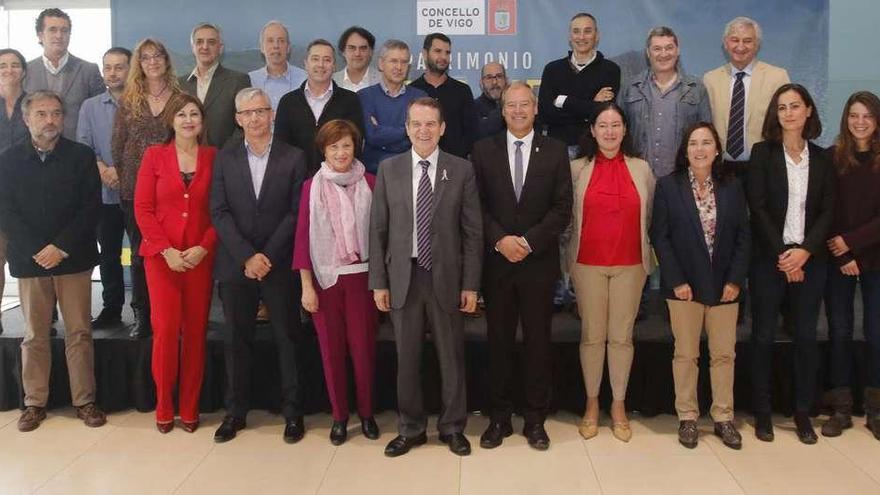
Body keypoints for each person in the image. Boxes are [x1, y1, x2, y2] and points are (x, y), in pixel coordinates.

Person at [369, 97, 482, 457]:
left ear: (442, 128)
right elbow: (378, 231)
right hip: (404, 276)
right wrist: (379, 282)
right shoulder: (390, 169)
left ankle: (452, 427)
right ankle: (411, 428)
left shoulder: (461, 169)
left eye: (430, 124)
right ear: (406, 127)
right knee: (407, 360)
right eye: (416, 124)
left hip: (446, 277)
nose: (423, 130)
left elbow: (472, 233)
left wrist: (470, 284)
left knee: (452, 357)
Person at [472, 81, 572, 450]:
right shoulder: (483, 150)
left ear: (535, 109)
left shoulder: (555, 151)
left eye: (524, 104)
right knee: (497, 344)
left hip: (537, 264)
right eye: (511, 105)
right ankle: (498, 419)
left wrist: (527, 243)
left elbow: (562, 208)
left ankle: (535, 420)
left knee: (538, 344)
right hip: (497, 264)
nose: (517, 110)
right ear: (503, 111)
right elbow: (476, 205)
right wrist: (500, 240)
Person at [0, 90, 106, 432]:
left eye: (56, 113)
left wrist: (60, 246)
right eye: (42, 114)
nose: (50, 120)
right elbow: (6, 212)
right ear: (26, 119)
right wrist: (37, 248)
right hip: (30, 260)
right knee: (34, 335)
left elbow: (90, 208)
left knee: (79, 332)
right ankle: (34, 403)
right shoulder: (8, 160)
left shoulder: (81, 156)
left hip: (73, 258)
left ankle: (85, 401)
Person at [211, 88, 308, 444]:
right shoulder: (224, 158)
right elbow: (218, 212)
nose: (255, 118)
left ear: (272, 115)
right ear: (238, 119)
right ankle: (235, 413)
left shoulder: (294, 157)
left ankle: (293, 413)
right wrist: (246, 257)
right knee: (237, 341)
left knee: (288, 339)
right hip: (237, 265)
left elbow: (296, 212)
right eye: (247, 113)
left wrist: (266, 255)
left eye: (261, 111)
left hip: (279, 264)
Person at [650, 122, 750, 450]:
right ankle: (688, 417)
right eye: (693, 143)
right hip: (684, 288)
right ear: (685, 149)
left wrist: (735, 280)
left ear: (717, 149)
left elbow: (743, 237)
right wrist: (676, 280)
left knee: (724, 354)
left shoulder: (732, 185)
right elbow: (660, 237)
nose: (700, 148)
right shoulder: (668, 186)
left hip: (725, 286)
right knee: (686, 354)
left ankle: (723, 417)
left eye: (706, 142)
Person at [748, 83, 834, 445]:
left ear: (809, 111)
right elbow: (759, 206)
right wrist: (785, 255)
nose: (788, 113)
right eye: (782, 107)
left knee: (805, 338)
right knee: (764, 336)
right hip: (771, 259)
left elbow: (829, 210)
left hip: (811, 261)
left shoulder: (824, 158)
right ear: (775, 114)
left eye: (795, 106)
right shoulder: (762, 154)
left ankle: (802, 412)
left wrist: (805, 252)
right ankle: (763, 413)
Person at [568, 102, 655, 443]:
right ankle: (592, 404)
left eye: (615, 125)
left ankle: (618, 405)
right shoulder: (577, 169)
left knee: (621, 338)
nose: (609, 131)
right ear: (592, 131)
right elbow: (567, 220)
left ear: (625, 129)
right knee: (592, 336)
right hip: (587, 263)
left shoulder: (642, 169)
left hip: (631, 265)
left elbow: (650, 219)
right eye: (602, 125)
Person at [134, 93, 217, 433]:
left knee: (196, 332)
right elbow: (142, 208)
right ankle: (165, 405)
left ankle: (190, 406)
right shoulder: (155, 156)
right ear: (170, 120)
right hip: (161, 260)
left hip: (200, 258)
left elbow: (222, 209)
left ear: (202, 121)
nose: (187, 120)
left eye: (193, 113)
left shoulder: (215, 157)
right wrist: (165, 249)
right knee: (166, 332)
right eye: (180, 114)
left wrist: (203, 246)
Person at [294, 119, 379, 445]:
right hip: (325, 281)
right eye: (334, 147)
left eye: (346, 145)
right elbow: (303, 239)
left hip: (363, 281)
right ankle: (340, 416)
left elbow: (382, 236)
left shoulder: (371, 182)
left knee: (363, 351)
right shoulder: (311, 187)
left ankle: (367, 413)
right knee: (331, 353)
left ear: (355, 146)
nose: (341, 152)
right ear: (323, 150)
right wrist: (306, 286)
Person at [112, 38, 180, 339]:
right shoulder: (129, 100)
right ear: (139, 64)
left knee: (171, 251)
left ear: (166, 60)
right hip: (134, 191)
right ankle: (142, 314)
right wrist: (132, 176)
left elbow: (189, 140)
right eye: (146, 57)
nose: (152, 61)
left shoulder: (180, 97)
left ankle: (171, 314)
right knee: (141, 253)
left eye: (158, 56)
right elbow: (118, 146)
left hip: (173, 190)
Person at [822, 91, 880, 440]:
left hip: (875, 260)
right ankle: (841, 407)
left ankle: (874, 408)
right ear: (846, 119)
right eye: (854, 115)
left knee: (876, 335)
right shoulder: (832, 159)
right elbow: (825, 210)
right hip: (838, 260)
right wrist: (843, 254)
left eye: (868, 116)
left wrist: (854, 246)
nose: (860, 122)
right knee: (840, 332)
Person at [77, 47, 131, 329]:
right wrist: (105, 171)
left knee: (142, 255)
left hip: (137, 195)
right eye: (107, 67)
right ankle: (112, 308)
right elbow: (84, 146)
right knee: (109, 254)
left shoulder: (143, 104)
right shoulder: (90, 106)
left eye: (119, 67)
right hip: (104, 193)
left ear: (131, 69)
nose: (112, 73)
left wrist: (122, 172)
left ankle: (143, 309)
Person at [703, 17, 789, 182]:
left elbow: (787, 125)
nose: (740, 46)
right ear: (725, 43)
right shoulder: (710, 79)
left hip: (764, 168)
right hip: (721, 168)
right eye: (735, 40)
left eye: (747, 41)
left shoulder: (777, 77)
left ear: (757, 44)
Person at [621, 26, 711, 179]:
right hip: (638, 178)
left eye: (669, 48)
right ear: (648, 53)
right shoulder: (630, 88)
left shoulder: (697, 89)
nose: (663, 54)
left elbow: (708, 136)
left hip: (681, 178)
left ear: (677, 51)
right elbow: (619, 132)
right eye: (657, 49)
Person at [275, 39, 364, 175]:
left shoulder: (350, 100)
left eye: (327, 60)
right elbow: (281, 148)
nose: (321, 65)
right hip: (298, 182)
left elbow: (356, 144)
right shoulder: (288, 102)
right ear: (306, 64)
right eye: (315, 59)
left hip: (339, 180)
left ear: (334, 65)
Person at [538, 12, 620, 159]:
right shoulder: (552, 69)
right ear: (570, 36)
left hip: (594, 152)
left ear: (597, 35)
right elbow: (546, 114)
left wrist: (564, 101)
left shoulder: (610, 70)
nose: (581, 37)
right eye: (576, 31)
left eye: (587, 31)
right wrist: (590, 105)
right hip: (557, 152)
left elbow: (603, 113)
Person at [24, 8, 104, 139]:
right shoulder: (25, 71)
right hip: (35, 151)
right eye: (52, 29)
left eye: (64, 30)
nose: (59, 35)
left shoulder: (89, 70)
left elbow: (100, 116)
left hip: (77, 149)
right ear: (40, 35)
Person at [358, 39, 426, 173]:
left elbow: (421, 135)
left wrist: (382, 132)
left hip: (410, 173)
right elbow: (372, 136)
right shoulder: (364, 96)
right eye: (394, 61)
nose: (399, 67)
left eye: (404, 62)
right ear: (381, 64)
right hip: (374, 174)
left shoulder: (420, 97)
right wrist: (407, 130)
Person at [179, 22, 250, 148]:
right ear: (193, 47)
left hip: (224, 160)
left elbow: (244, 125)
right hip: (187, 161)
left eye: (211, 42)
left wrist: (224, 157)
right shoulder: (180, 84)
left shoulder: (238, 81)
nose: (205, 47)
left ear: (220, 48)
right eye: (199, 42)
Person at [409, 33, 478, 159]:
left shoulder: (462, 90)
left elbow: (471, 132)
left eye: (447, 53)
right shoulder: (413, 90)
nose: (443, 57)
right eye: (438, 51)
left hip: (456, 166)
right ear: (425, 54)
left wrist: (456, 159)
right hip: (420, 165)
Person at [0, 47, 30, 336]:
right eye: (3, 65)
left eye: (14, 65)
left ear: (23, 70)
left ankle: (39, 317)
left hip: (27, 194)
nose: (9, 70)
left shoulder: (32, 104)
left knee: (28, 256)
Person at [248, 20, 307, 111]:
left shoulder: (305, 79)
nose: (276, 46)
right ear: (262, 48)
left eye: (281, 41)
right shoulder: (250, 81)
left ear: (288, 48)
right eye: (270, 41)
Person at [333, 26, 381, 92]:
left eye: (363, 48)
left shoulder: (383, 80)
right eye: (352, 48)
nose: (357, 54)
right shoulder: (331, 81)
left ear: (371, 52)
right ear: (343, 51)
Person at [474, 62, 508, 140]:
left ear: (506, 80)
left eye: (499, 76)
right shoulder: (472, 108)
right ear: (481, 83)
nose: (494, 82)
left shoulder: (515, 107)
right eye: (489, 77)